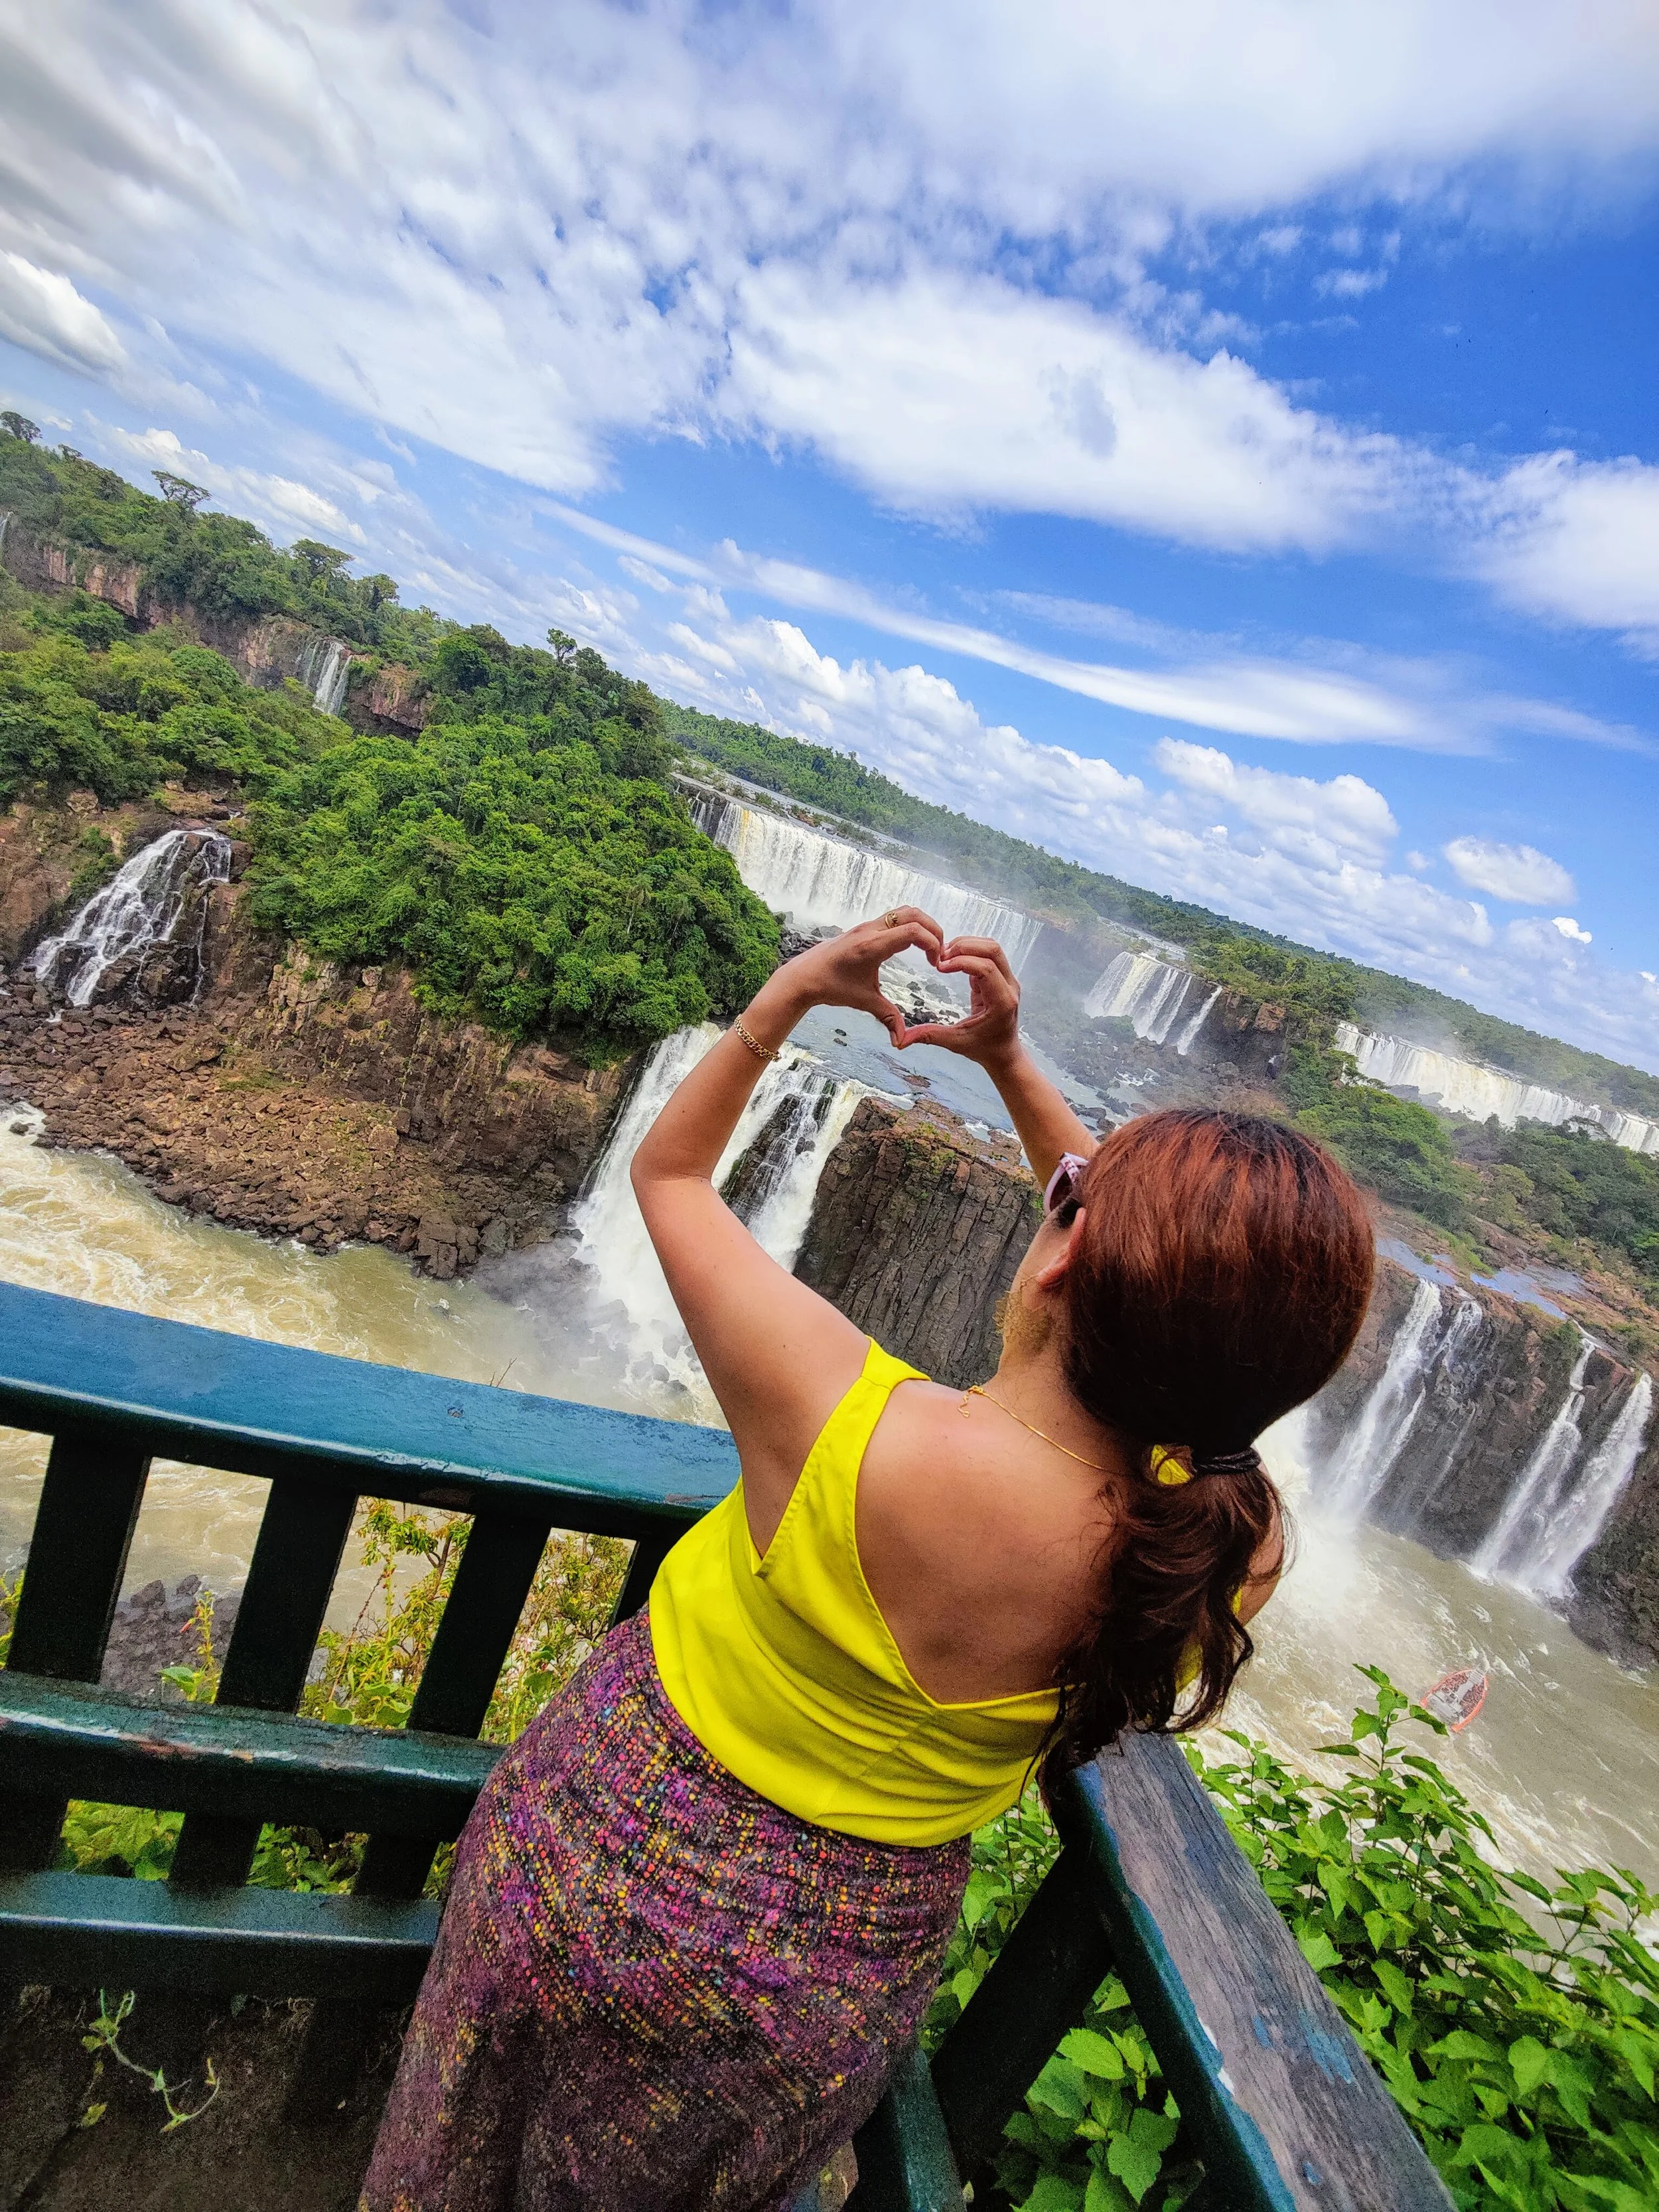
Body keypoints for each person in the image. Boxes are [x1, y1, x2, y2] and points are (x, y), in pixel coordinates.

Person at [362, 909, 1375, 2212]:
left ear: (1067, 1250)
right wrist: (1014, 1069)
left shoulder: (842, 1416)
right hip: (827, 1973)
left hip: (600, 1838)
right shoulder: (1230, 1548)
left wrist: (782, 998)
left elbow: (669, 1176)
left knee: (460, 2136)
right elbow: (1169, 1308)